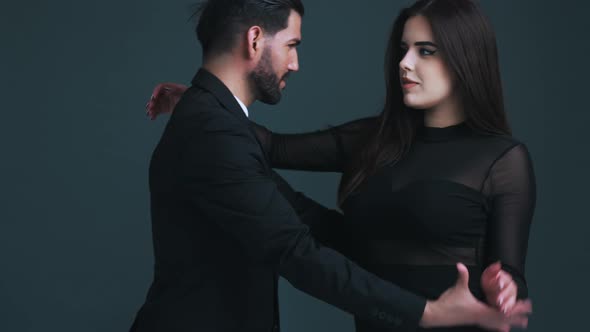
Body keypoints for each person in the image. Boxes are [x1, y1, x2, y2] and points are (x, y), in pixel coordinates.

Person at [145, 0, 535, 331]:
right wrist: (208, 107)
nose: (404, 63)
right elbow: (278, 181)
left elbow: (292, 211)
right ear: (254, 40)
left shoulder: (502, 160)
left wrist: (505, 284)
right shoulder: (374, 138)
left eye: (425, 50)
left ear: (465, 59)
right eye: (403, 49)